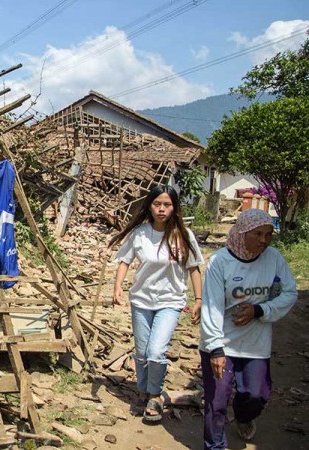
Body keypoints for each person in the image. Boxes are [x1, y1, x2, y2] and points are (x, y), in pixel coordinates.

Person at [199, 208, 297, 449]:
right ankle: (214, 445)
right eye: (257, 234)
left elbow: (290, 292)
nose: (264, 240)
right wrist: (216, 349)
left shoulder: (273, 258)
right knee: (217, 400)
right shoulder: (220, 262)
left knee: (257, 394)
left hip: (256, 344)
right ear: (241, 233)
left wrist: (259, 311)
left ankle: (244, 417)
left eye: (268, 234)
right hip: (222, 342)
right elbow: (211, 306)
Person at [109, 185, 203, 423]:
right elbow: (125, 261)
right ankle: (142, 389)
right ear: (150, 206)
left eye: (167, 205)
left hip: (170, 301)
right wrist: (118, 287)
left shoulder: (184, 235)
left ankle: (154, 396)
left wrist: (199, 300)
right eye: (157, 204)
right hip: (141, 300)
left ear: (174, 207)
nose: (162, 209)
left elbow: (194, 268)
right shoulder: (140, 233)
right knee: (141, 352)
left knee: (156, 350)